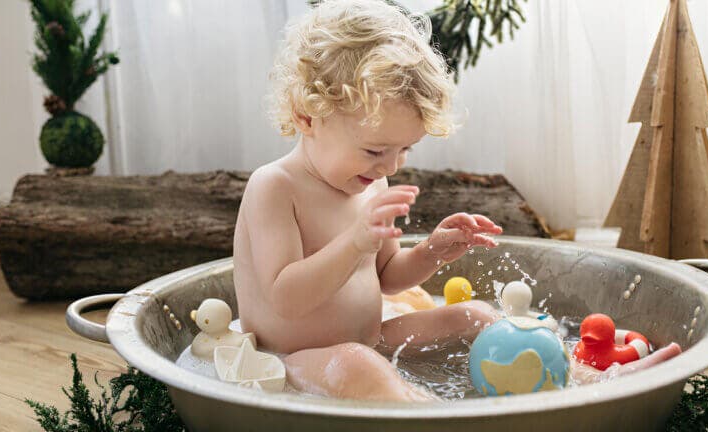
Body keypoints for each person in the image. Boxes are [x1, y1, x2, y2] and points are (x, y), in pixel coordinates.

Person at [233, 0, 680, 401]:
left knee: (475, 315)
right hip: (291, 358)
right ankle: (437, 414)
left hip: (370, 339)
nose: (390, 166)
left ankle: (585, 379)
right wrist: (354, 242)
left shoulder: (369, 183)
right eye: (375, 150)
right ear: (306, 115)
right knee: (357, 365)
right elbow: (284, 300)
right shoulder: (275, 187)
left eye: (403, 150)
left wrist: (431, 252)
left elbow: (387, 276)